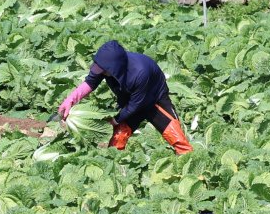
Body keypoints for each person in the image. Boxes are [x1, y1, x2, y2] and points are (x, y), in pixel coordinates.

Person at [58, 40, 193, 154]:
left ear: (115, 68)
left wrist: (116, 120)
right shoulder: (105, 66)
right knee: (117, 139)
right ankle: (117, 166)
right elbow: (90, 82)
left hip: (153, 97)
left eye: (103, 70)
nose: (101, 73)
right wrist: (70, 100)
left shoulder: (141, 72)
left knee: (175, 135)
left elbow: (136, 105)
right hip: (128, 98)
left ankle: (189, 161)